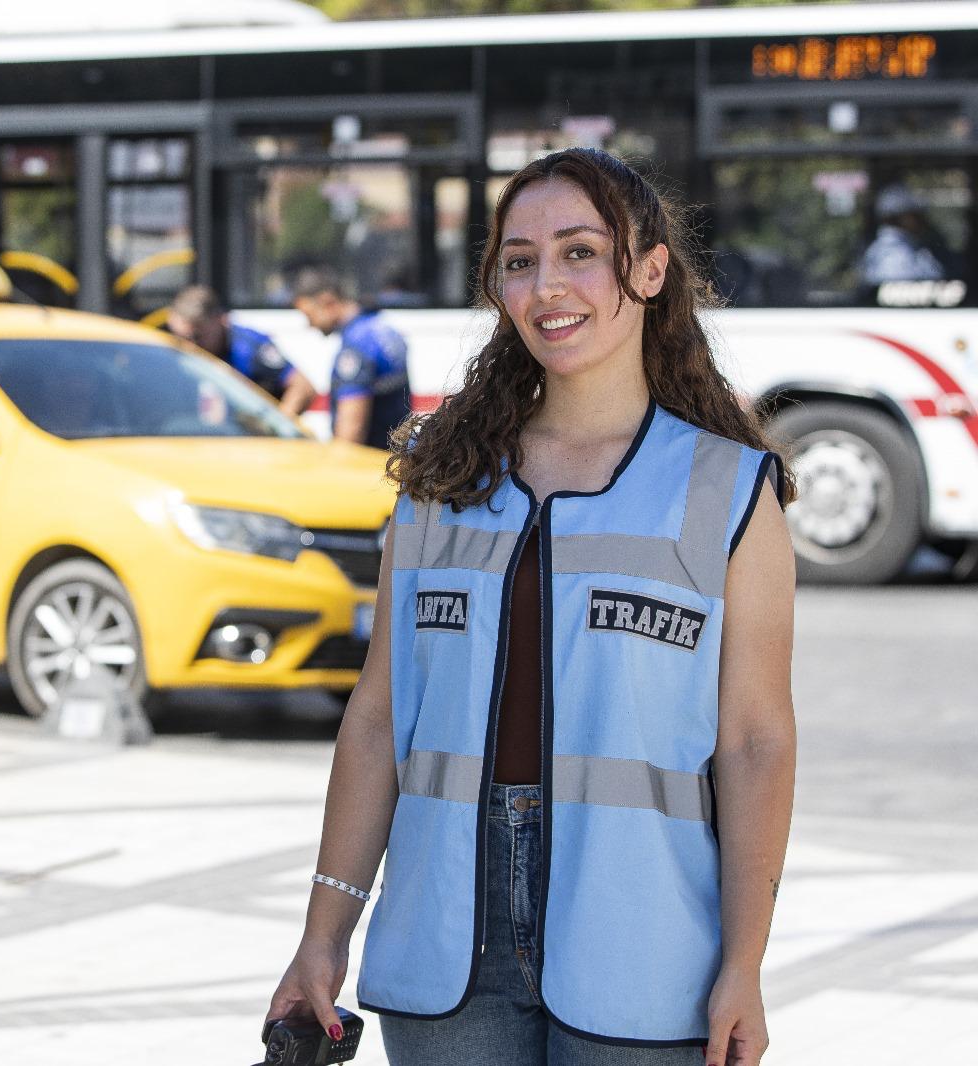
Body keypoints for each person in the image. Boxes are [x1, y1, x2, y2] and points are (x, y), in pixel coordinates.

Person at [264, 148, 798, 1066]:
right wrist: (323, 935)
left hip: (644, 953)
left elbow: (756, 743)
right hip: (443, 943)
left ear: (650, 270)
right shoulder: (439, 478)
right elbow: (378, 718)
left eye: (580, 251)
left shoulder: (731, 488)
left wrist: (744, 964)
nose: (547, 284)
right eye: (520, 261)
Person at [279, 267, 411, 450]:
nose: (309, 324)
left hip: (370, 460)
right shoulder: (383, 330)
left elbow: (350, 432)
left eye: (309, 315)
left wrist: (337, 463)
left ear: (328, 302)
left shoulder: (354, 349)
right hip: (394, 453)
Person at [165, 285, 293, 400]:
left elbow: (299, 384)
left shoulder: (248, 347)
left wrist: (278, 418)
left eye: (197, 337)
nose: (190, 347)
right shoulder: (170, 351)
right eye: (181, 339)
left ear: (220, 320)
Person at [861, 184, 960, 286]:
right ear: (896, 218)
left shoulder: (909, 245)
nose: (922, 220)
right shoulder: (894, 254)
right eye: (914, 215)